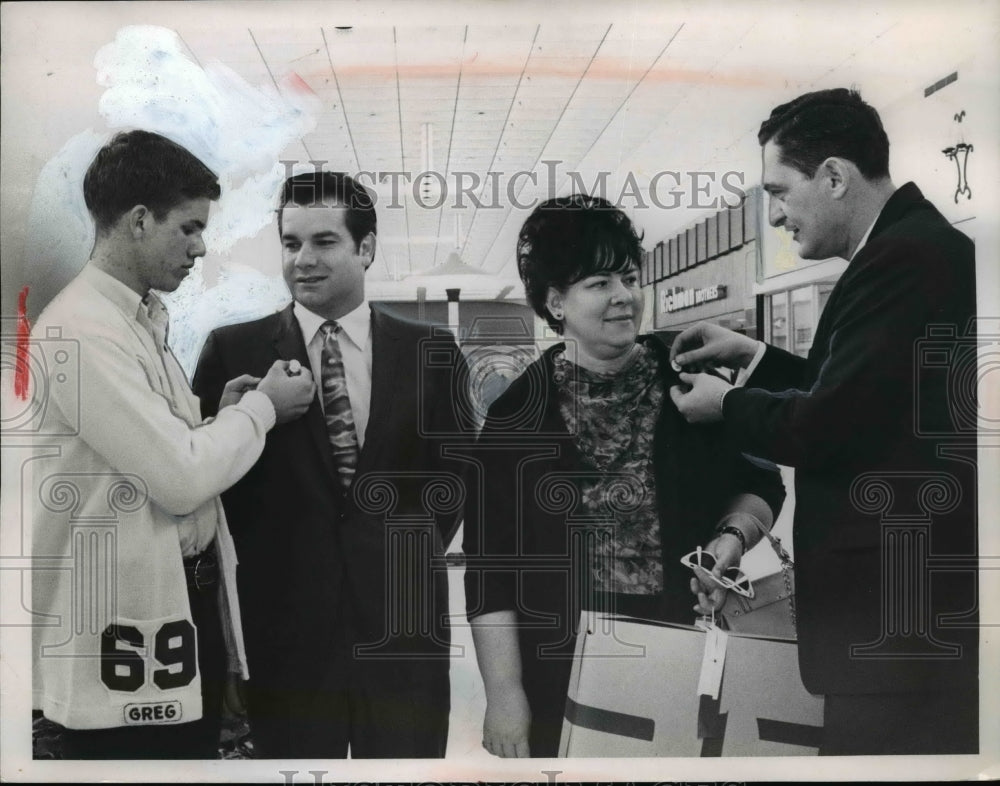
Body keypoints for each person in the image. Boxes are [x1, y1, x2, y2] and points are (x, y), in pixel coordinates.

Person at [669, 88, 978, 755]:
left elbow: (827, 427)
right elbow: (863, 397)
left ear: (834, 176)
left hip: (894, 629)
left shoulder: (904, 258)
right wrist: (756, 356)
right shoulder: (906, 249)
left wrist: (723, 406)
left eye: (778, 192)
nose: (775, 216)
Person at [463, 194, 786, 758]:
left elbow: (762, 484)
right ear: (555, 301)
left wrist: (728, 543)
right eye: (599, 282)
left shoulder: (690, 382)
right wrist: (504, 693)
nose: (623, 297)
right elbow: (490, 567)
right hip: (560, 664)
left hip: (687, 649)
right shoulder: (516, 414)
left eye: (629, 277)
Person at [29, 130, 316, 759]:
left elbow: (159, 446)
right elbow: (181, 478)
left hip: (167, 614)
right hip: (120, 631)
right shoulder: (82, 329)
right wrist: (264, 409)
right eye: (187, 227)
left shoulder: (136, 320)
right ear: (137, 221)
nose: (199, 246)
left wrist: (224, 415)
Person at [192, 171, 469, 758]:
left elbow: (456, 480)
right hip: (285, 632)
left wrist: (398, 550)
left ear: (365, 249)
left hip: (403, 627)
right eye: (291, 244)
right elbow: (209, 482)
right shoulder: (233, 352)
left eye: (324, 242)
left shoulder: (433, 354)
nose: (303, 260)